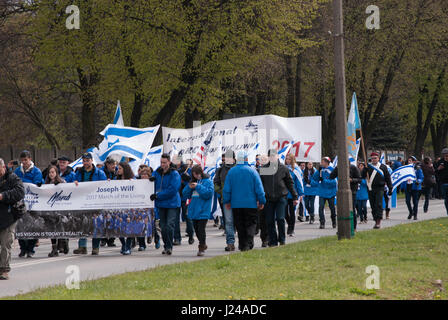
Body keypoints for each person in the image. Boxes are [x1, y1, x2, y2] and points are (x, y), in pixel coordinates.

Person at [223, 151, 265, 251]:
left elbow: (226, 189)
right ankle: (249, 242)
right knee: (251, 224)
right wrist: (262, 201)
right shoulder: (252, 171)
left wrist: (227, 201)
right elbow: (259, 188)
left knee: (239, 225)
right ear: (246, 159)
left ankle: (242, 245)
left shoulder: (231, 171)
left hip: (236, 204)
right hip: (250, 203)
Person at [260, 150, 298, 247]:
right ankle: (273, 241)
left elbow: (290, 183)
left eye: (274, 156)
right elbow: (260, 185)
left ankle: (282, 239)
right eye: (270, 156)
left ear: (277, 156)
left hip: (281, 197)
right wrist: (259, 197)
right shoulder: (263, 169)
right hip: (268, 198)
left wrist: (295, 196)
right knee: (269, 220)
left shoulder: (283, 168)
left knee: (280, 218)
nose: (272, 158)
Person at [73, 152, 107, 255]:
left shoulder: (100, 173)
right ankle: (82, 246)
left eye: (87, 160)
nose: (85, 163)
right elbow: (73, 181)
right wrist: (74, 183)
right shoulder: (79, 172)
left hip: (96, 202)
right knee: (83, 224)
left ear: (92, 161)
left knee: (96, 224)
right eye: (84, 161)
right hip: (82, 201)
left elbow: (104, 186)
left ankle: (95, 247)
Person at [13, 150, 43, 258]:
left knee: (32, 225)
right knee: (20, 225)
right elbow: (14, 182)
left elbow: (38, 184)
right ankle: (23, 248)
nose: (24, 162)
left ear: (30, 159)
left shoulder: (36, 171)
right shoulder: (18, 170)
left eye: (26, 160)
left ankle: (31, 248)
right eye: (22, 160)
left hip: (32, 202)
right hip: (20, 202)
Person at [151, 154, 181, 255]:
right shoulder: (157, 172)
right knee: (163, 227)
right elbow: (152, 178)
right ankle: (166, 245)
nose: (162, 164)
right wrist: (150, 180)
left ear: (169, 162)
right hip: (162, 204)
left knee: (169, 225)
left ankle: (169, 247)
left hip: (172, 203)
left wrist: (158, 195)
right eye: (161, 162)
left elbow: (172, 190)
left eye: (164, 162)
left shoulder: (174, 174)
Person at [0, 158, 25, 280]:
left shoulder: (12, 178)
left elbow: (20, 192)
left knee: (5, 243)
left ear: (3, 167)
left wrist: (3, 196)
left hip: (9, 216)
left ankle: (4, 269)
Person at [182, 165, 214, 256]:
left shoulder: (208, 181)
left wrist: (198, 186)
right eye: (194, 175)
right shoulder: (193, 181)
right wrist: (189, 187)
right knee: (196, 229)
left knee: (201, 229)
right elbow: (185, 194)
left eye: (197, 174)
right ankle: (203, 243)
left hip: (204, 209)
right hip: (194, 209)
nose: (196, 176)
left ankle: (201, 247)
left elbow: (208, 194)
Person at [361, 152, 393, 229]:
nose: (374, 160)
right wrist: (364, 170)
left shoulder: (383, 167)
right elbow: (362, 176)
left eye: (375, 158)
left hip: (380, 188)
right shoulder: (368, 167)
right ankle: (376, 220)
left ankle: (378, 221)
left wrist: (390, 188)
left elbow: (388, 178)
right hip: (371, 188)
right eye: (372, 158)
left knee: (378, 204)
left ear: (378, 158)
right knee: (373, 205)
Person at [214, 151, 236, 251]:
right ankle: (230, 243)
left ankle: (245, 242)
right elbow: (216, 183)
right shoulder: (220, 170)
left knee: (240, 221)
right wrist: (222, 192)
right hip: (226, 200)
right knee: (229, 221)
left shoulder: (238, 168)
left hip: (239, 200)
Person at [329, 160, 362, 230]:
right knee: (341, 209)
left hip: (352, 191)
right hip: (341, 191)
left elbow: (359, 179)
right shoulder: (338, 168)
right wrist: (336, 169)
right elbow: (331, 176)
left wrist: (352, 180)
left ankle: (354, 227)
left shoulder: (354, 168)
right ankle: (342, 228)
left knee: (351, 209)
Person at [45, 165, 68, 257]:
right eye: (49, 172)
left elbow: (67, 192)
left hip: (59, 209)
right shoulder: (46, 183)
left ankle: (64, 242)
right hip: (50, 209)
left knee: (60, 227)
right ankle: (54, 249)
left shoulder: (62, 182)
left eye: (53, 172)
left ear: (56, 173)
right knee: (52, 229)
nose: (51, 174)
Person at [173, 155, 195, 245]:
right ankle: (177, 238)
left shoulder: (187, 170)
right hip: (176, 197)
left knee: (188, 217)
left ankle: (191, 235)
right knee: (175, 219)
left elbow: (192, 182)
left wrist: (185, 181)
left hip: (186, 197)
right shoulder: (173, 171)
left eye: (176, 161)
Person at [116, 162, 136, 255]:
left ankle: (128, 246)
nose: (118, 170)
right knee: (119, 227)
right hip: (120, 207)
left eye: (120, 168)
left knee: (129, 228)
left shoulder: (133, 179)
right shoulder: (116, 179)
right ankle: (123, 244)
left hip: (130, 207)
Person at [312, 157, 337, 229]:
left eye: (322, 162)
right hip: (322, 192)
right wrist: (317, 174)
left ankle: (334, 221)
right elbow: (314, 179)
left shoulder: (332, 170)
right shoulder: (320, 170)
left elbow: (334, 182)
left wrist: (324, 180)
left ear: (326, 162)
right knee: (321, 207)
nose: (321, 163)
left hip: (331, 192)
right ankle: (322, 223)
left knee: (332, 208)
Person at [284, 154, 304, 236]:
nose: (287, 160)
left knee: (292, 212)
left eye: (289, 159)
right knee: (284, 213)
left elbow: (299, 183)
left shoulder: (296, 169)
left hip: (293, 194)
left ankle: (291, 229)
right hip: (284, 194)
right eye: (286, 159)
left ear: (292, 160)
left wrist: (301, 194)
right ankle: (289, 224)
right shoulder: (284, 168)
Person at [435, 149, 448, 215]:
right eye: (444, 154)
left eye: (447, 154)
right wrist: (438, 169)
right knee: (446, 200)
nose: (446, 155)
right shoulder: (440, 162)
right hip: (443, 183)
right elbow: (435, 172)